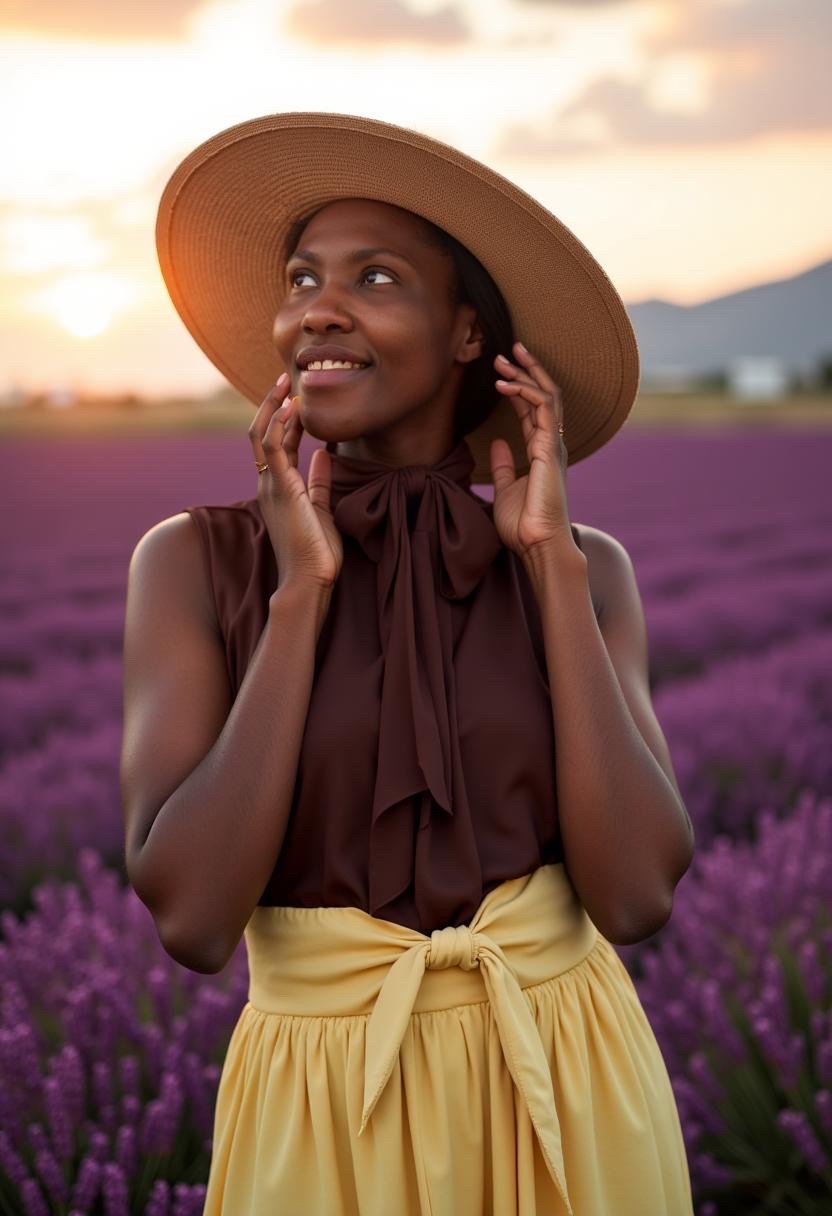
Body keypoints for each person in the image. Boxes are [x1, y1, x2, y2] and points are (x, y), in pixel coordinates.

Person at [122, 112, 696, 1214]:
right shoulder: (195, 563)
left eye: (373, 277)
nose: (314, 310)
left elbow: (632, 895)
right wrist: (300, 599)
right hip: (327, 1108)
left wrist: (549, 569)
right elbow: (192, 917)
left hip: (567, 1085)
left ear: (468, 331)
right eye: (301, 279)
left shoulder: (586, 570)